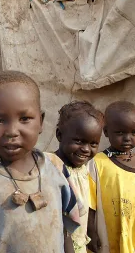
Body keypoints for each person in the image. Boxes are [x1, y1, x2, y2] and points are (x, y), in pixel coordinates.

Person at [0, 71, 80, 252]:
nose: (12, 131)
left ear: (41, 121)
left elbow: (66, 229)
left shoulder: (56, 167)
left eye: (24, 119)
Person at [87, 101, 135, 253]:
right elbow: (89, 204)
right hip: (105, 237)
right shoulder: (97, 163)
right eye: (120, 132)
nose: (127, 138)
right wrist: (90, 232)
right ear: (106, 132)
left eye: (134, 132)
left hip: (134, 235)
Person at [46, 101, 104, 253]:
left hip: (78, 242)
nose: (85, 149)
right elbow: (57, 218)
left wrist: (90, 232)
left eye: (93, 144)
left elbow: (85, 205)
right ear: (59, 135)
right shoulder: (51, 169)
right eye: (79, 141)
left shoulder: (83, 169)